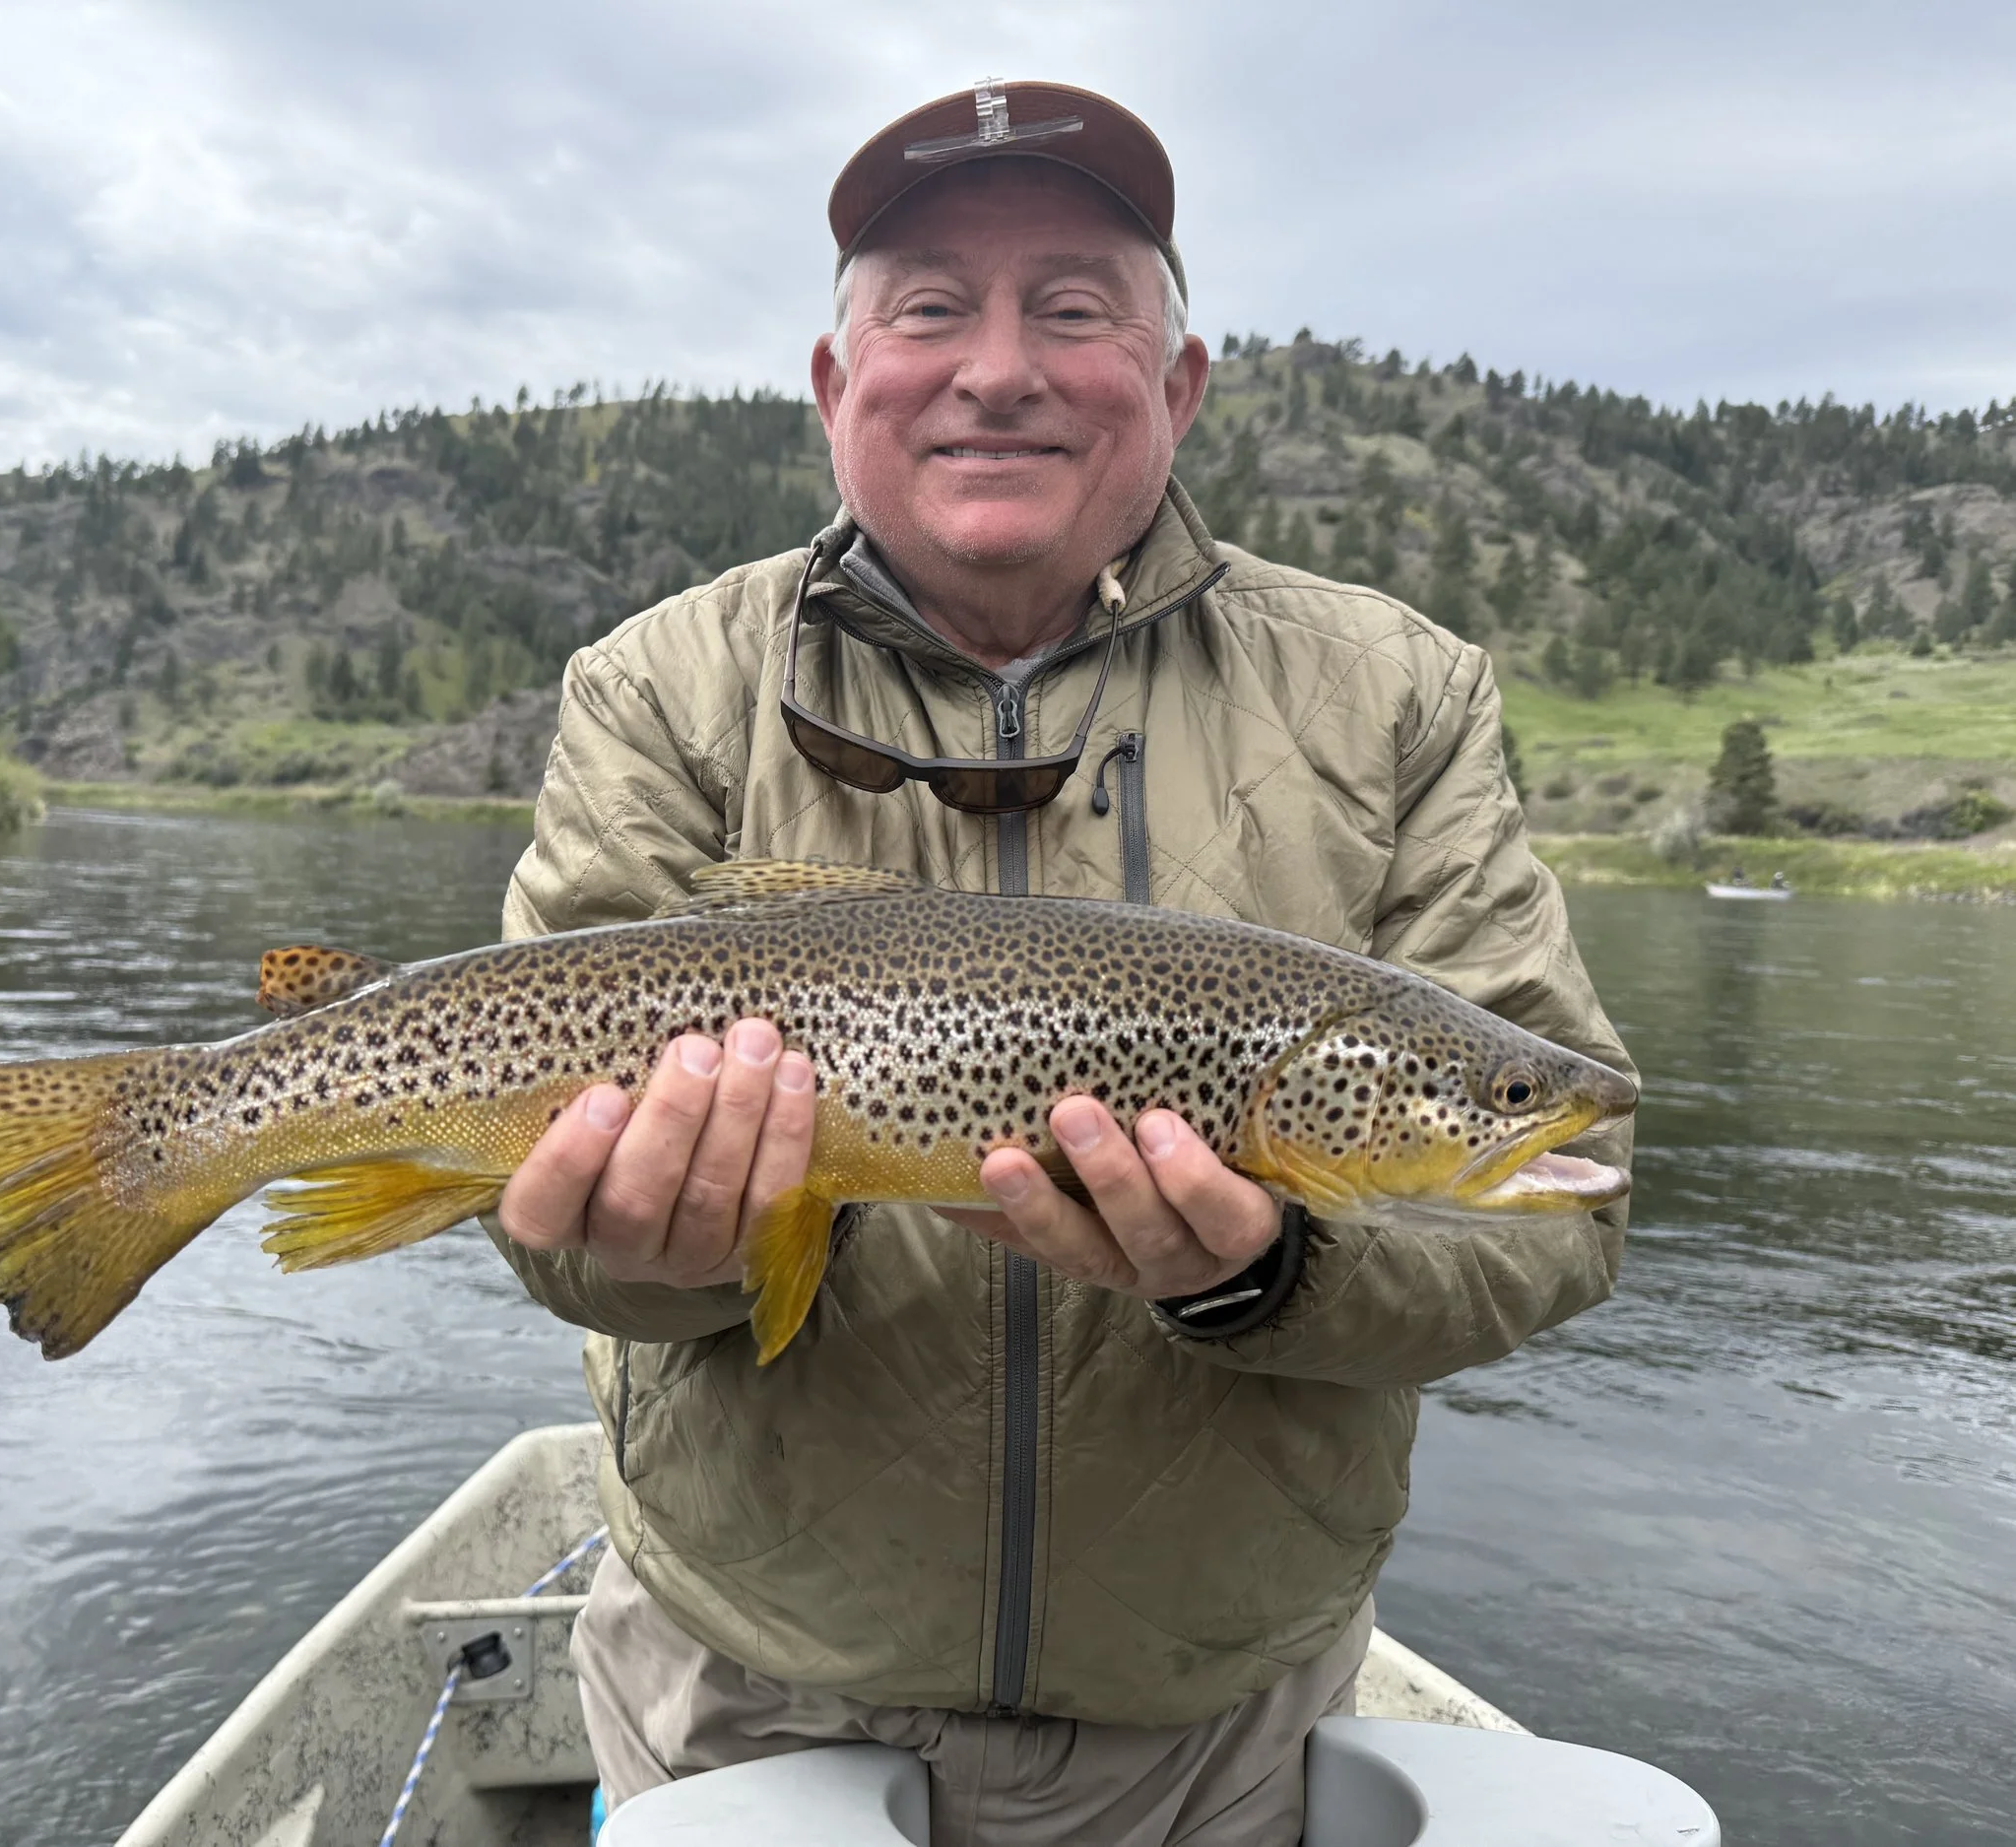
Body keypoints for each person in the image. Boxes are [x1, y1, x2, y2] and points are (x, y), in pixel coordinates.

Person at [485, 81, 1638, 1847]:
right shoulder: (660, 684)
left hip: (1225, 1718)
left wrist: (1270, 1274)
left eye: (1076, 307)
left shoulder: (1396, 691)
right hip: (745, 1696)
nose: (997, 367)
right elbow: (572, 1249)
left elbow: (1560, 1213)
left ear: (1176, 386)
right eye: (930, 307)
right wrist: (651, 1253)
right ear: (834, 382)